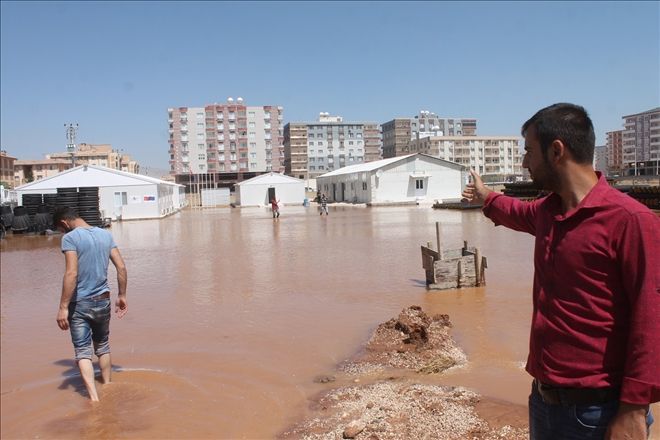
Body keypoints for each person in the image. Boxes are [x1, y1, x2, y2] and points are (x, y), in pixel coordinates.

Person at [462, 103, 659, 440]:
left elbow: (651, 319)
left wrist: (633, 410)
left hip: (599, 413)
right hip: (543, 400)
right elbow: (514, 210)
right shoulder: (548, 212)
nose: (524, 163)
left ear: (556, 151)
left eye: (528, 151)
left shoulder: (630, 221)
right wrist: (485, 196)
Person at [53, 207, 128, 402]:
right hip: (103, 300)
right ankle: (108, 386)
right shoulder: (105, 235)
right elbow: (121, 266)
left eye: (61, 229)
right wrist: (122, 295)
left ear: (64, 223)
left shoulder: (70, 238)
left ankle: (94, 400)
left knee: (82, 351)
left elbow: (71, 273)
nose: (63, 233)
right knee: (102, 345)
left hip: (80, 304)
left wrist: (62, 307)